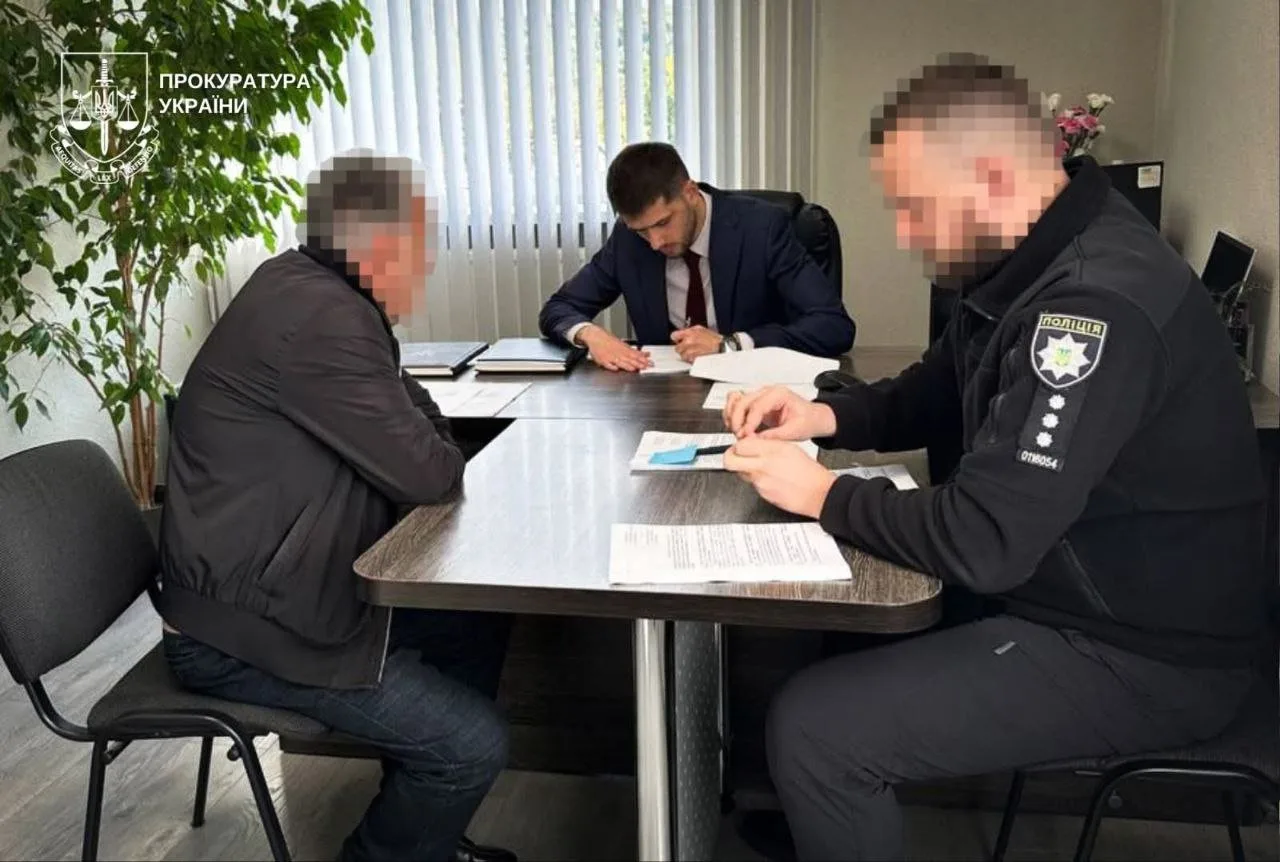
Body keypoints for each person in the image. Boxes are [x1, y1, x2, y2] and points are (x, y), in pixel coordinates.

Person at [720, 53, 1270, 861]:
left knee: (814, 730)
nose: (905, 234)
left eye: (915, 208)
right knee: (844, 629)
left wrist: (822, 495)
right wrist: (824, 416)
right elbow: (938, 385)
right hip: (1080, 592)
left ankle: (823, 786)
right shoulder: (1030, 260)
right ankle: (822, 815)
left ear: (993, 176)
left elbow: (985, 538)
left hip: (1147, 652)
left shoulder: (1093, 305)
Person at [155, 149, 517, 862]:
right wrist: (420, 423)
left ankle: (426, 837)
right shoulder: (324, 318)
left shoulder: (305, 286)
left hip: (274, 588)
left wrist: (415, 415)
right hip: (243, 630)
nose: (427, 269)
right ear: (378, 247)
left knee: (473, 618)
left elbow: (416, 425)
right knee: (472, 747)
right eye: (420, 250)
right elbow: (431, 471)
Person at [537, 141, 856, 371]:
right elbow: (558, 308)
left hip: (757, 394)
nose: (654, 242)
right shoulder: (628, 240)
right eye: (642, 231)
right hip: (663, 401)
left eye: (663, 223)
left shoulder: (763, 228)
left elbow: (833, 326)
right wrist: (590, 335)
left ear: (690, 193)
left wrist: (731, 344)